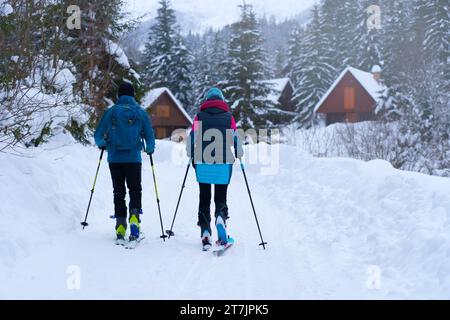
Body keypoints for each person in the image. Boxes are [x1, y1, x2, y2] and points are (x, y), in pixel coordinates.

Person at [94, 82, 155, 244]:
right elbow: (149, 135)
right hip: (133, 158)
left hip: (114, 158)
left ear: (119, 96)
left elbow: (98, 135)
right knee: (135, 189)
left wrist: (103, 145)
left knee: (118, 192)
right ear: (133, 95)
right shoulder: (139, 113)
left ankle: (120, 225)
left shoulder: (111, 112)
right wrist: (149, 148)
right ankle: (134, 219)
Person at [187, 87, 244, 249]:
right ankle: (220, 217)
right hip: (223, 165)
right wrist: (239, 153)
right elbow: (236, 139)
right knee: (220, 197)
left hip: (202, 163)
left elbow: (192, 138)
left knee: (204, 197)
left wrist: (190, 153)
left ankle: (205, 231)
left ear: (207, 100)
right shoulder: (228, 118)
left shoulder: (199, 116)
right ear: (221, 100)